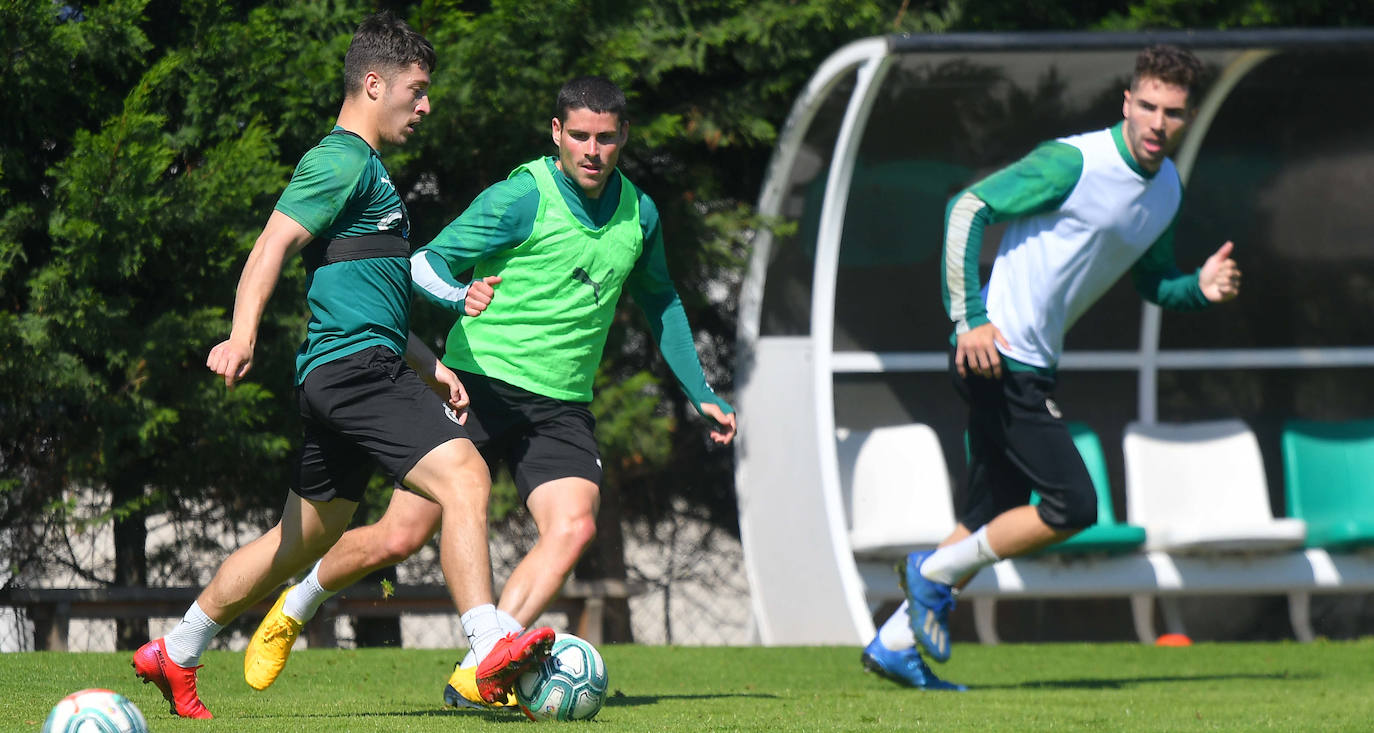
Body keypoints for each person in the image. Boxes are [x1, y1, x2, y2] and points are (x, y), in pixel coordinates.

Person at [240, 75, 738, 709]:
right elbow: (426, 262)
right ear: (557, 134)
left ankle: (482, 668)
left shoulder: (639, 215)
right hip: (479, 385)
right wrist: (459, 296)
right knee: (399, 537)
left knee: (574, 525)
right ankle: (298, 602)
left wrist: (701, 391)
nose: (592, 150)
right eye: (579, 136)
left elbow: (661, 299)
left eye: (605, 139)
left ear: (623, 139)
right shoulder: (522, 196)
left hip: (560, 404)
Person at [131, 12, 553, 719]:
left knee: (298, 541)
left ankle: (177, 648)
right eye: (416, 91)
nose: (426, 107)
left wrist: (428, 364)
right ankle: (487, 644)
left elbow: (370, 301)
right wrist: (241, 335)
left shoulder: (371, 176)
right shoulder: (339, 160)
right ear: (373, 82)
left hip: (357, 367)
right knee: (467, 472)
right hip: (354, 373)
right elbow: (270, 248)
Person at [864, 44, 1243, 690]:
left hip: (1033, 364)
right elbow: (966, 209)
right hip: (996, 355)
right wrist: (969, 320)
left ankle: (895, 639)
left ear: (1187, 117)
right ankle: (929, 575)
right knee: (1072, 503)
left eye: (1172, 113)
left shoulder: (1168, 192)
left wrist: (1198, 288)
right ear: (1126, 102)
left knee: (993, 510)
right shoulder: (1074, 161)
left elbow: (1154, 284)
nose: (1157, 122)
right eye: (1146, 106)